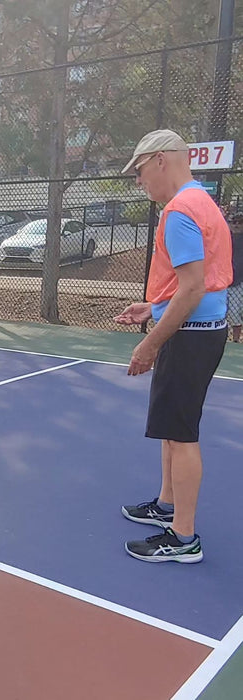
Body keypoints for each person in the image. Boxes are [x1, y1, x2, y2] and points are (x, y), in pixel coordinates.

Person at [115, 129, 232, 564]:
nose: (140, 180)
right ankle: (166, 506)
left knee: (181, 436)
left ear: (162, 160)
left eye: (141, 170)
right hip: (197, 330)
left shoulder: (180, 211)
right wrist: (154, 307)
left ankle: (183, 538)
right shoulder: (201, 202)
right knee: (171, 428)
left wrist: (149, 345)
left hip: (190, 336)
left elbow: (194, 288)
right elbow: (195, 284)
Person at [227, 212, 243, 343]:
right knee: (220, 313)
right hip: (222, 282)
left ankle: (236, 340)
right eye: (234, 222)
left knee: (234, 313)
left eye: (240, 222)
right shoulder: (225, 237)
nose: (237, 225)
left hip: (238, 282)